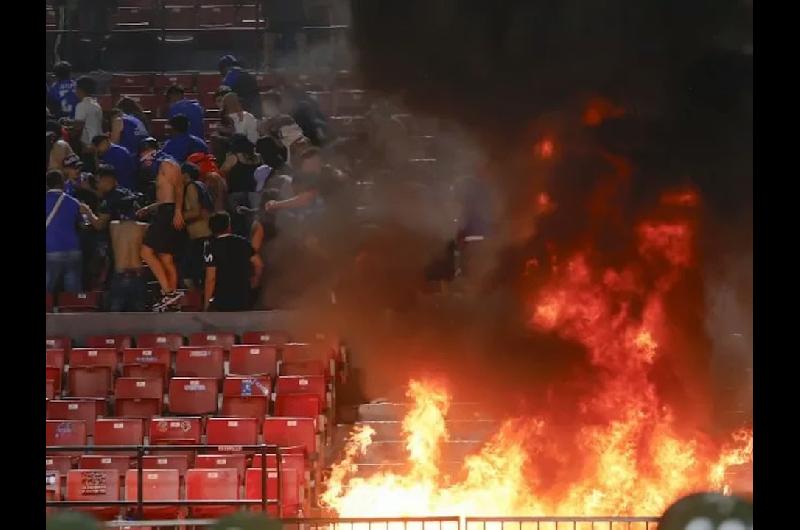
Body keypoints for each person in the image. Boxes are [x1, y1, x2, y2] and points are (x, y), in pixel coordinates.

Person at [137, 152, 185, 312]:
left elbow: (179, 188)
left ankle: (169, 292)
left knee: (145, 252)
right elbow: (166, 195)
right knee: (165, 257)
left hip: (168, 212)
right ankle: (171, 300)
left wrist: (178, 212)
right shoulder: (163, 166)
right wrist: (149, 208)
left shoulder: (167, 164)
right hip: (164, 210)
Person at [203, 211, 256, 311]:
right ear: (229, 226)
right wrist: (253, 285)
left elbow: (211, 278)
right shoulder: (243, 242)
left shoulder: (211, 247)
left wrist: (206, 306)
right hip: (243, 297)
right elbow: (258, 264)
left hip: (222, 300)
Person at [46, 170, 88, 294]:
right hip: (73, 249)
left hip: (50, 249)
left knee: (47, 289)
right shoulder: (74, 202)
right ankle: (72, 311)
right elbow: (83, 224)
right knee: (73, 292)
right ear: (63, 183)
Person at [181, 162, 213, 289]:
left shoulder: (191, 187)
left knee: (188, 274)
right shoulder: (201, 185)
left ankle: (197, 303)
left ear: (186, 175)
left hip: (200, 238)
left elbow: (196, 211)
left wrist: (177, 217)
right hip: (206, 236)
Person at [72, 76, 103, 154]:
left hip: (88, 145)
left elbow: (78, 127)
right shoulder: (96, 104)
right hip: (99, 143)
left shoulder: (81, 105)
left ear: (80, 90)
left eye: (76, 88)